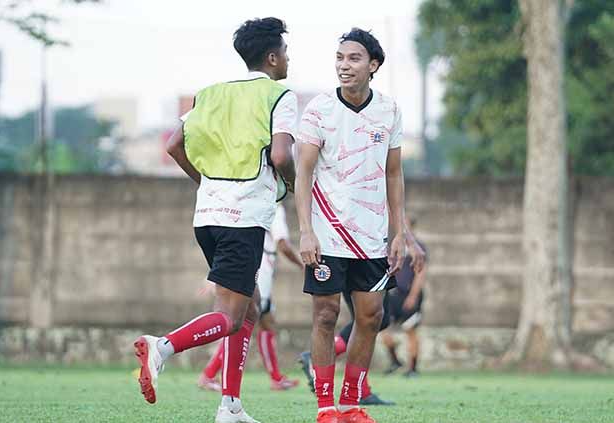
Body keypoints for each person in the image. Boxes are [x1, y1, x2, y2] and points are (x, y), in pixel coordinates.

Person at [132, 17, 297, 423]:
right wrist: (292, 185)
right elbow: (280, 157)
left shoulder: (209, 94)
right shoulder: (280, 96)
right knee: (230, 317)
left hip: (207, 215)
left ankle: (231, 406)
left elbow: (173, 145)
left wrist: (206, 182)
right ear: (273, 57)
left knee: (251, 308)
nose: (288, 59)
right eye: (286, 52)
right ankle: (163, 346)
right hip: (244, 218)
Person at [295, 28, 406, 423]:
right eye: (341, 58)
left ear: (373, 65)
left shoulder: (389, 111)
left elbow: (394, 174)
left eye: (354, 58)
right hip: (326, 233)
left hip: (372, 235)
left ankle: (353, 404)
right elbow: (303, 171)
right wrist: (305, 230)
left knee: (372, 316)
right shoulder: (318, 111)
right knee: (325, 315)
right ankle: (326, 408)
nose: (345, 65)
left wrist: (400, 231)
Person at [297, 227, 426, 405]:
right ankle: (345, 385)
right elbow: (390, 205)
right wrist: (410, 242)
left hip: (362, 248)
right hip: (357, 249)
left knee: (371, 320)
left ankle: (360, 390)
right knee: (369, 319)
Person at [198, 204, 303, 391]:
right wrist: (303, 265)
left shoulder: (254, 202)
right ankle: (209, 374)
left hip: (258, 264)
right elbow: (282, 244)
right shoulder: (274, 206)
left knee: (267, 321)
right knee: (239, 322)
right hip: (260, 268)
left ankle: (276, 377)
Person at [381, 217, 427, 377]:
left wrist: (413, 296)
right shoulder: (391, 245)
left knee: (410, 330)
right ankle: (395, 361)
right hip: (392, 294)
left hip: (408, 295)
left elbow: (420, 273)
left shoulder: (418, 247)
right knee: (383, 329)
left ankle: (413, 368)